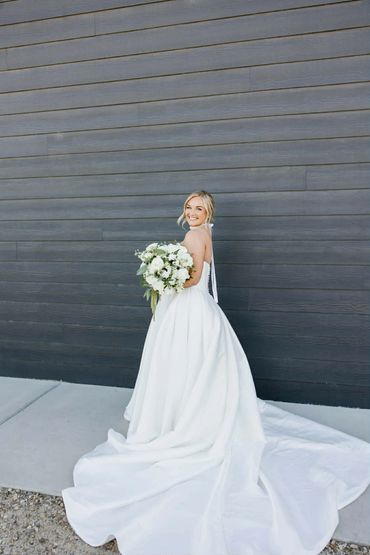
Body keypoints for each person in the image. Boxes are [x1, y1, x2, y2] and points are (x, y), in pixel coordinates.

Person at [62, 190, 370, 555]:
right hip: (199, 312)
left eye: (199, 208)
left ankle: (185, 424)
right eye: (189, 207)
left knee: (183, 369)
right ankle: (195, 415)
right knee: (196, 372)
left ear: (208, 212)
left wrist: (165, 276)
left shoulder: (195, 236)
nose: (192, 213)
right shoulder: (205, 234)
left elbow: (192, 280)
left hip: (190, 311)